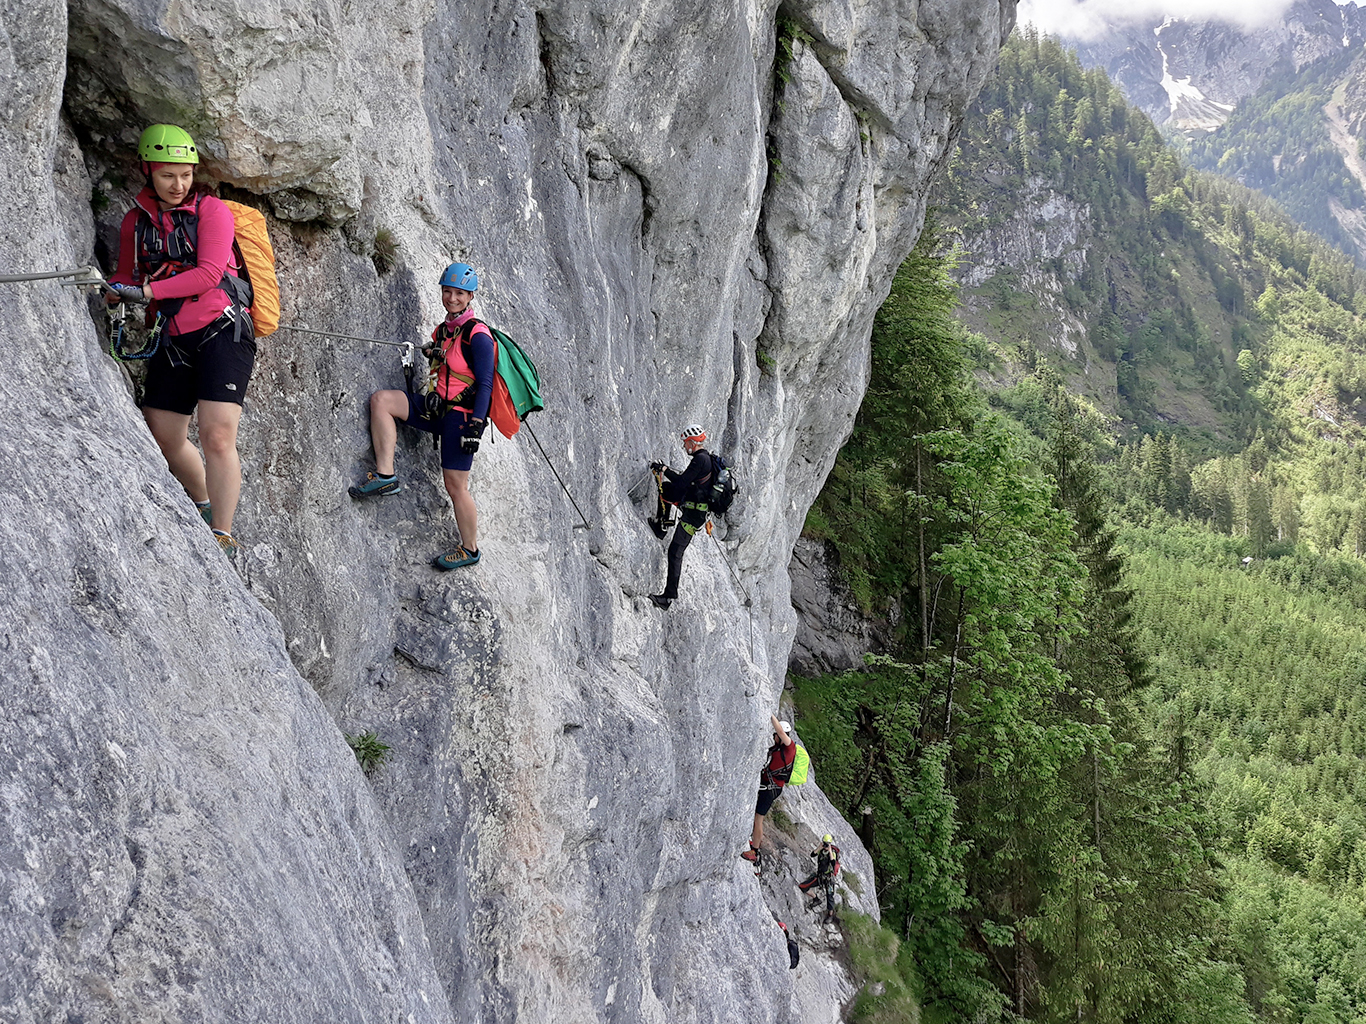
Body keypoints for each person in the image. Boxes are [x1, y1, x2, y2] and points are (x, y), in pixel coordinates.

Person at [107, 124, 256, 556]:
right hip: (173, 335)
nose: (178, 184)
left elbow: (210, 273)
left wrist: (148, 293)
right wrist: (115, 288)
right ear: (149, 170)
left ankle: (222, 535)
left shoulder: (213, 212)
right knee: (163, 435)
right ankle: (205, 505)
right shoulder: (136, 222)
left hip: (222, 330)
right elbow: (126, 273)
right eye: (168, 174)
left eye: (186, 174)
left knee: (217, 436)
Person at [349, 262, 493, 570]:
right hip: (436, 407)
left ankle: (470, 549)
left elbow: (485, 383)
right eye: (447, 291)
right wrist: (433, 353)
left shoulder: (478, 335)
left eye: (458, 294)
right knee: (382, 401)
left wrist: (477, 426)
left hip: (462, 418)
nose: (451, 298)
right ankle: (386, 476)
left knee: (455, 486)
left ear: (470, 297)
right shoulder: (444, 331)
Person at [648, 424, 714, 610]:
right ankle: (662, 527)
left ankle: (668, 598)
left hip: (694, 515)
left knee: (675, 552)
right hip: (694, 506)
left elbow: (682, 483)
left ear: (693, 442)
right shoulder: (704, 458)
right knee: (667, 491)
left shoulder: (699, 460)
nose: (685, 447)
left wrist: (665, 470)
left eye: (686, 443)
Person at [741, 715, 796, 868]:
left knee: (758, 818)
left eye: (775, 735)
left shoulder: (789, 748)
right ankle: (754, 844)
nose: (774, 737)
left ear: (781, 735)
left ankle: (754, 851)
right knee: (756, 816)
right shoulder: (779, 749)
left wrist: (770, 715)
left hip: (771, 788)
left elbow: (780, 731)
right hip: (768, 786)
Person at [798, 834, 841, 918]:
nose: (825, 845)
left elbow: (833, 863)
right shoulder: (821, 851)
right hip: (820, 877)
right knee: (803, 886)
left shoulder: (832, 853)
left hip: (828, 878)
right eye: (824, 843)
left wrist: (829, 851)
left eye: (827, 844)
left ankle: (830, 915)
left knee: (830, 897)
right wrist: (819, 848)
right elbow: (812, 855)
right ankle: (816, 899)